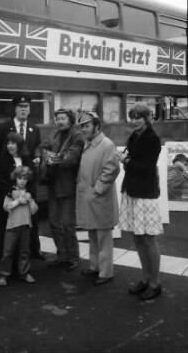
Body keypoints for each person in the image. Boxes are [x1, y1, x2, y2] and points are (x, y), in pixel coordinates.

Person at [118, 102, 162, 301]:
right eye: (133, 117)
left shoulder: (152, 139)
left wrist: (124, 161)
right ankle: (145, 278)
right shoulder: (135, 136)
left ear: (147, 118)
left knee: (148, 239)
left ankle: (155, 283)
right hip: (132, 190)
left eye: (139, 117)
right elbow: (133, 160)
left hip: (145, 193)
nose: (135, 121)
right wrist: (126, 159)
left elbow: (145, 167)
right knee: (137, 237)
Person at [0, 94, 43, 259]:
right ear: (15, 109)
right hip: (9, 183)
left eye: (26, 106)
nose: (23, 109)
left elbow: (36, 149)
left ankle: (34, 249)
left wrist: (37, 157)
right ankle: (8, 254)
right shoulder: (4, 128)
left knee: (31, 218)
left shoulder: (34, 129)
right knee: (9, 218)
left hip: (28, 182)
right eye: (20, 107)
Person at [76, 112, 120, 285]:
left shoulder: (107, 144)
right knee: (93, 234)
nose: (83, 130)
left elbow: (111, 171)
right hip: (91, 198)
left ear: (97, 126)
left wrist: (96, 190)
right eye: (82, 127)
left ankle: (106, 272)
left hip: (100, 199)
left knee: (103, 238)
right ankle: (95, 267)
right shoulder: (89, 143)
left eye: (86, 126)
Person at [41, 108, 84, 271]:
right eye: (58, 118)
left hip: (67, 186)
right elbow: (42, 148)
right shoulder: (55, 134)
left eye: (63, 118)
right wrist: (47, 155)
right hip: (53, 184)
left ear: (70, 119)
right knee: (54, 222)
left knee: (67, 224)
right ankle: (62, 255)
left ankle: (73, 257)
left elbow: (70, 159)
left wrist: (52, 157)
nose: (60, 121)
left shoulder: (77, 135)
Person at [0, 132, 33, 268]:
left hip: (24, 203)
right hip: (9, 203)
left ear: (19, 144)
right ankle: (6, 267)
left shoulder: (26, 159)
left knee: (24, 239)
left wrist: (29, 195)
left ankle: (23, 268)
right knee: (8, 238)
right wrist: (10, 191)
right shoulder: (2, 160)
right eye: (8, 143)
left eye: (13, 143)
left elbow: (32, 178)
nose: (10, 146)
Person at [0, 166, 38, 286]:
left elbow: (35, 210)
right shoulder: (11, 193)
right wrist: (17, 202)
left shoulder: (28, 193)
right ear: (15, 178)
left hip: (25, 226)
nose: (22, 181)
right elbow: (6, 207)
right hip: (12, 227)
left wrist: (30, 200)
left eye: (25, 178)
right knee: (8, 252)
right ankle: (3, 275)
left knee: (25, 251)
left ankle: (24, 273)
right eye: (20, 178)